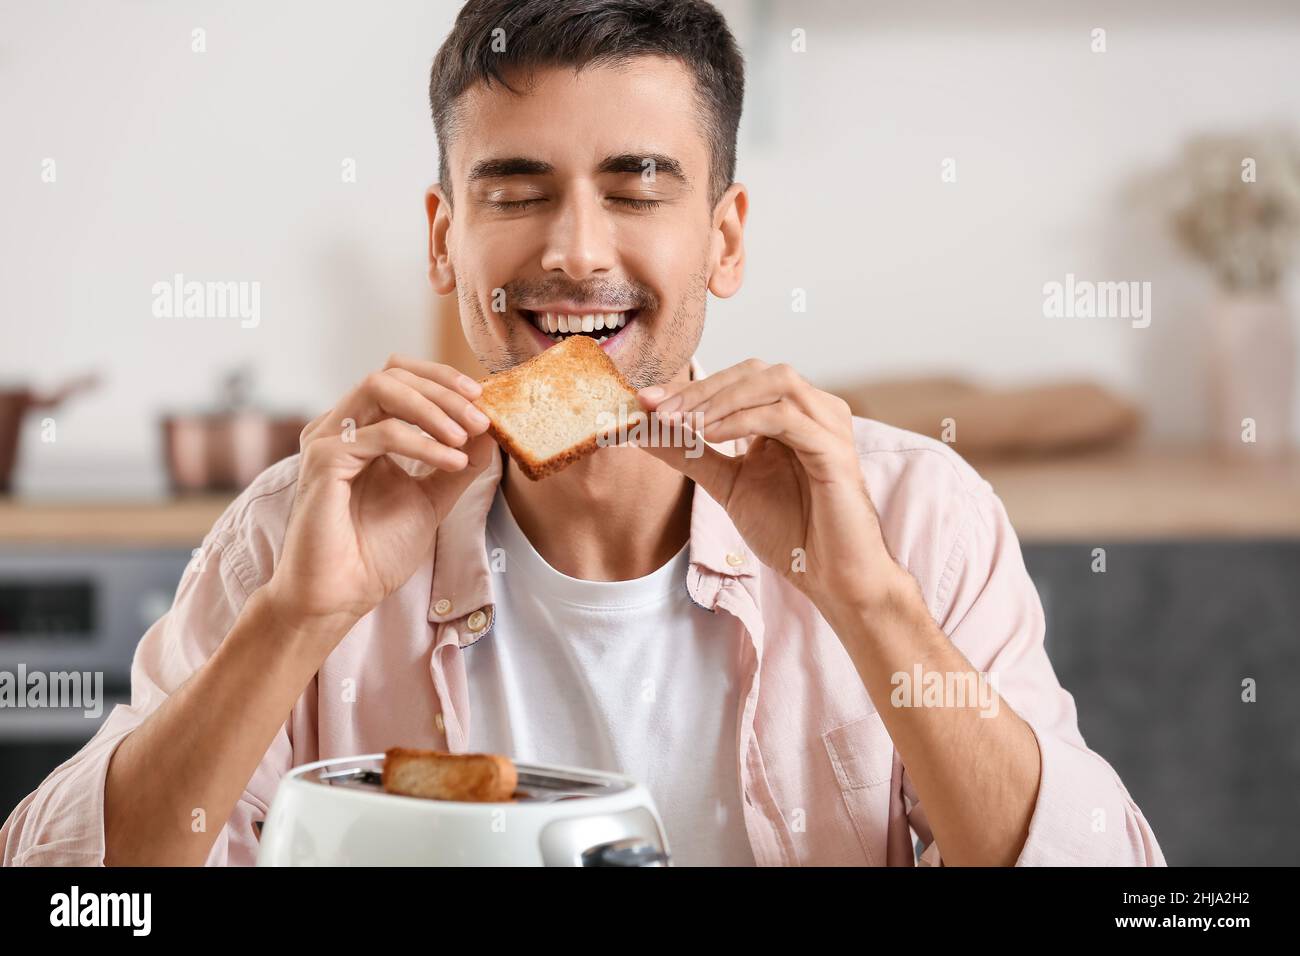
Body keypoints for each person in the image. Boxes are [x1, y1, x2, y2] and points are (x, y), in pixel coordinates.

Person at [2, 0, 1163, 867]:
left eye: (636, 186)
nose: (574, 250)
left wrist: (867, 599)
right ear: (442, 238)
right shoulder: (299, 530)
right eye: (515, 190)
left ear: (725, 238)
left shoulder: (915, 515)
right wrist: (298, 619)